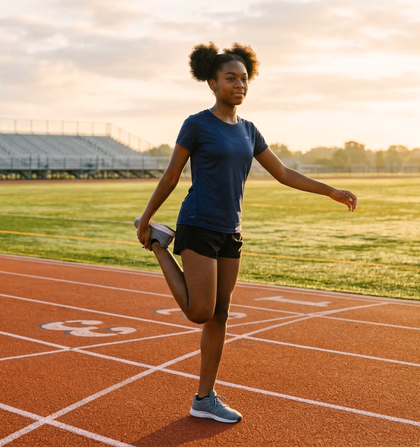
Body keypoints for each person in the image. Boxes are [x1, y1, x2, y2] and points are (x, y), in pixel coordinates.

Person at [135, 42, 358, 424]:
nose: (239, 85)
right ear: (211, 83)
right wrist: (146, 219)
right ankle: (159, 243)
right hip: (199, 223)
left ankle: (204, 398)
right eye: (230, 78)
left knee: (220, 316)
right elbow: (172, 175)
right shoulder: (196, 124)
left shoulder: (249, 130)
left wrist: (330, 190)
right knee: (200, 312)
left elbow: (284, 173)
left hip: (230, 232)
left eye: (243, 79)